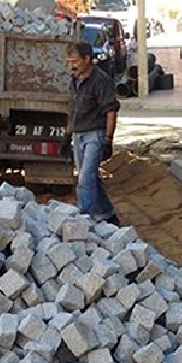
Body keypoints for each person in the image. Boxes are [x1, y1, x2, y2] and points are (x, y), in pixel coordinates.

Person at [66, 40, 120, 226]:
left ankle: (84, 221)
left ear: (87, 59)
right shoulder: (74, 80)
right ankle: (108, 214)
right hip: (78, 134)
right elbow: (73, 110)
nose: (71, 66)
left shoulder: (100, 80)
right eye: (69, 62)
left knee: (85, 179)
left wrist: (108, 140)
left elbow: (111, 112)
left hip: (95, 135)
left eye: (75, 61)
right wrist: (67, 136)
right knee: (90, 178)